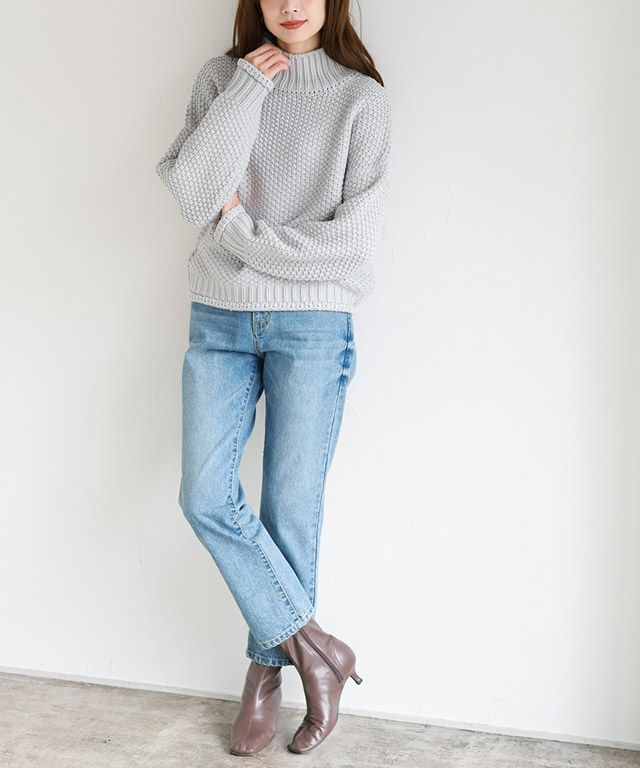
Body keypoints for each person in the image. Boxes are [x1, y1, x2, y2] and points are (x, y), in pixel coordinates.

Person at [155, 0, 392, 756]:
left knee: (290, 510)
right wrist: (250, 89)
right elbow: (193, 193)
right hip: (220, 318)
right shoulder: (223, 80)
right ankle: (316, 648)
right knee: (204, 495)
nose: (291, 4)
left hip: (314, 326)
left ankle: (266, 675)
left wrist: (239, 230)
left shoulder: (361, 100)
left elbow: (350, 249)